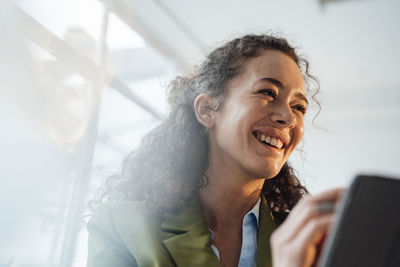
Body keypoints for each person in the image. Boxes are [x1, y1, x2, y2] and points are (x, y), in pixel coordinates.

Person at [87, 33, 343, 267]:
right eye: (267, 92)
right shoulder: (120, 226)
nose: (288, 117)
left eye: (299, 107)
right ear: (207, 110)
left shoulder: (313, 240)